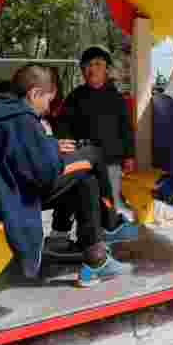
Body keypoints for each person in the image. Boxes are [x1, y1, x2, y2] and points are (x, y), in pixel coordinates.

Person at [0, 64, 131, 287]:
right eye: (46, 101)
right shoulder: (22, 118)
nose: (46, 108)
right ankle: (109, 225)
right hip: (16, 197)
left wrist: (50, 145)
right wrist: (55, 152)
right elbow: (43, 173)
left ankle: (95, 257)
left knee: (86, 179)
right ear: (34, 93)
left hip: (2, 192)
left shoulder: (0, 111)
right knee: (92, 154)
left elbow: (19, 156)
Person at [55, 46, 136, 217]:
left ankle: (110, 228)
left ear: (106, 68)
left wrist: (129, 155)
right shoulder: (74, 97)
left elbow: (126, 128)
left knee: (110, 200)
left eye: (97, 64)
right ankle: (90, 235)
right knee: (86, 201)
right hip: (84, 162)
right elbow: (63, 125)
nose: (92, 69)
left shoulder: (117, 98)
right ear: (82, 71)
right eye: (87, 65)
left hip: (111, 161)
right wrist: (67, 147)